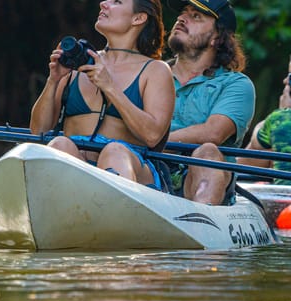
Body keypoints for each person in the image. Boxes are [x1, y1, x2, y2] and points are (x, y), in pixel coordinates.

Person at [30, 0, 174, 190]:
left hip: (130, 168)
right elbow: (38, 130)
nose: (103, 4)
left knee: (115, 152)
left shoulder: (156, 70)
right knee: (59, 145)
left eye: (117, 1)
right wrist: (53, 80)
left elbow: (152, 136)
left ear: (138, 18)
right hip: (75, 166)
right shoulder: (79, 62)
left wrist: (110, 87)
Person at [163, 0, 256, 204]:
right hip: (148, 171)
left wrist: (152, 142)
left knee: (208, 151)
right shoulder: (150, 74)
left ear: (217, 37)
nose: (181, 18)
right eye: (183, 12)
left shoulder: (237, 84)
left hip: (199, 177)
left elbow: (212, 133)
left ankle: (201, 218)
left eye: (196, 16)